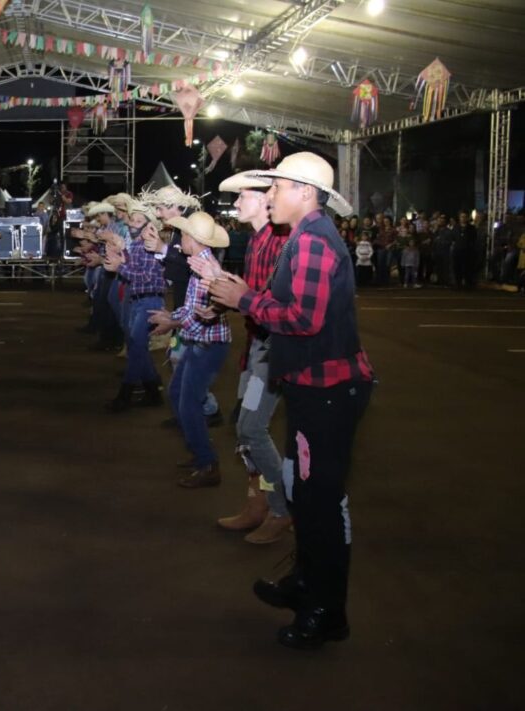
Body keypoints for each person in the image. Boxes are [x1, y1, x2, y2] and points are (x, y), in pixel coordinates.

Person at [206, 152, 374, 650]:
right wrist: (249, 295)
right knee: (306, 494)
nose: (269, 195)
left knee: (319, 502)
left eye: (276, 187)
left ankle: (326, 612)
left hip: (327, 390)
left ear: (305, 193)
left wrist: (244, 300)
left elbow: (304, 319)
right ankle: (307, 586)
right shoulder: (305, 238)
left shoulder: (314, 243)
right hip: (313, 386)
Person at [206, 171, 292, 543]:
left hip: (271, 350)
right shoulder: (260, 241)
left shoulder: (278, 241)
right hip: (258, 347)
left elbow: (268, 303)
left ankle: (280, 509)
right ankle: (259, 501)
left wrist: (230, 292)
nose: (237, 203)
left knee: (252, 429)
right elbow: (253, 297)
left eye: (243, 197)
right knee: (245, 428)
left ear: (264, 198)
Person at [148, 212, 231, 487]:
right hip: (204, 343)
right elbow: (193, 308)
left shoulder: (203, 267)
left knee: (187, 402)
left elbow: (196, 313)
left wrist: (170, 320)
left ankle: (207, 462)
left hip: (207, 344)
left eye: (183, 235)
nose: (179, 239)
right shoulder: (200, 263)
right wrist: (172, 319)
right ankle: (200, 454)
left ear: (192, 239)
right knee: (180, 396)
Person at [102, 200, 165, 411]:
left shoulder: (148, 245)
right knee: (137, 346)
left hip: (149, 299)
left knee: (136, 347)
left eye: (139, 221)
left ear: (148, 225)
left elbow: (145, 277)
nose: (133, 223)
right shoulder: (139, 245)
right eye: (133, 219)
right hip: (140, 299)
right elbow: (133, 269)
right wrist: (122, 256)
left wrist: (120, 264)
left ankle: (126, 394)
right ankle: (152, 390)